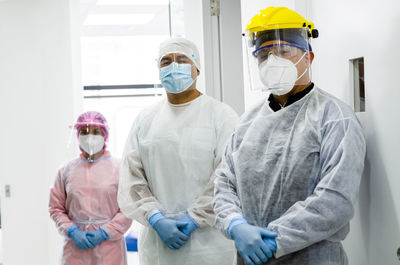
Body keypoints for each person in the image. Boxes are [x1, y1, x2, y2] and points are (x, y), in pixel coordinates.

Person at [213, 6, 366, 265]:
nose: (273, 61)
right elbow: (224, 184)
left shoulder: (334, 117)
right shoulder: (247, 123)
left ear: (308, 57)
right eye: (263, 54)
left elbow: (335, 199)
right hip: (250, 258)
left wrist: (275, 239)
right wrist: (235, 224)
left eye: (283, 51)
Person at [118, 37, 238, 265]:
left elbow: (229, 175)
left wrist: (195, 217)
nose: (173, 66)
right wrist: (154, 217)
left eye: (181, 60)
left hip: (210, 245)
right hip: (158, 246)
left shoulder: (221, 115)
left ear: (197, 68)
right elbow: (131, 176)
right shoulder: (146, 119)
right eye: (166, 61)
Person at [49, 111, 132, 265]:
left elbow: (128, 208)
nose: (90, 137)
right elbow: (56, 208)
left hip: (109, 248)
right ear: (77, 135)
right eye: (84, 132)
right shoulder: (66, 170)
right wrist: (72, 231)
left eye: (96, 132)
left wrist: (105, 232)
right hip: (74, 249)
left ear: (105, 135)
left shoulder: (120, 168)